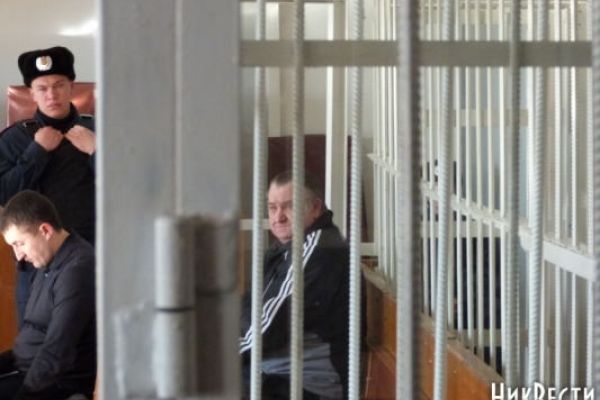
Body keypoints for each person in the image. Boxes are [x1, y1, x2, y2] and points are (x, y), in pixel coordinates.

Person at [0, 46, 96, 324]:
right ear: (31, 93)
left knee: (91, 338)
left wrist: (97, 151)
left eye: (59, 85)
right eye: (42, 88)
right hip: (36, 264)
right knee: (36, 338)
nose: (51, 94)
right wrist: (36, 153)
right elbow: (4, 194)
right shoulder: (14, 139)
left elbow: (128, 188)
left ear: (71, 87)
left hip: (91, 255)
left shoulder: (98, 131)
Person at [240, 171, 354, 400]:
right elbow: (249, 308)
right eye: (272, 208)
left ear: (315, 207)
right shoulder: (285, 250)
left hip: (306, 385)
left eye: (289, 206)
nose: (278, 217)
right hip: (276, 373)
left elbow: (267, 328)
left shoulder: (318, 250)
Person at [0, 190, 96, 400]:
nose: (18, 255)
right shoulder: (47, 259)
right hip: (26, 370)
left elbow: (57, 351)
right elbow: (31, 337)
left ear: (45, 230)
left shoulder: (77, 270)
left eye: (19, 243)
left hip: (55, 384)